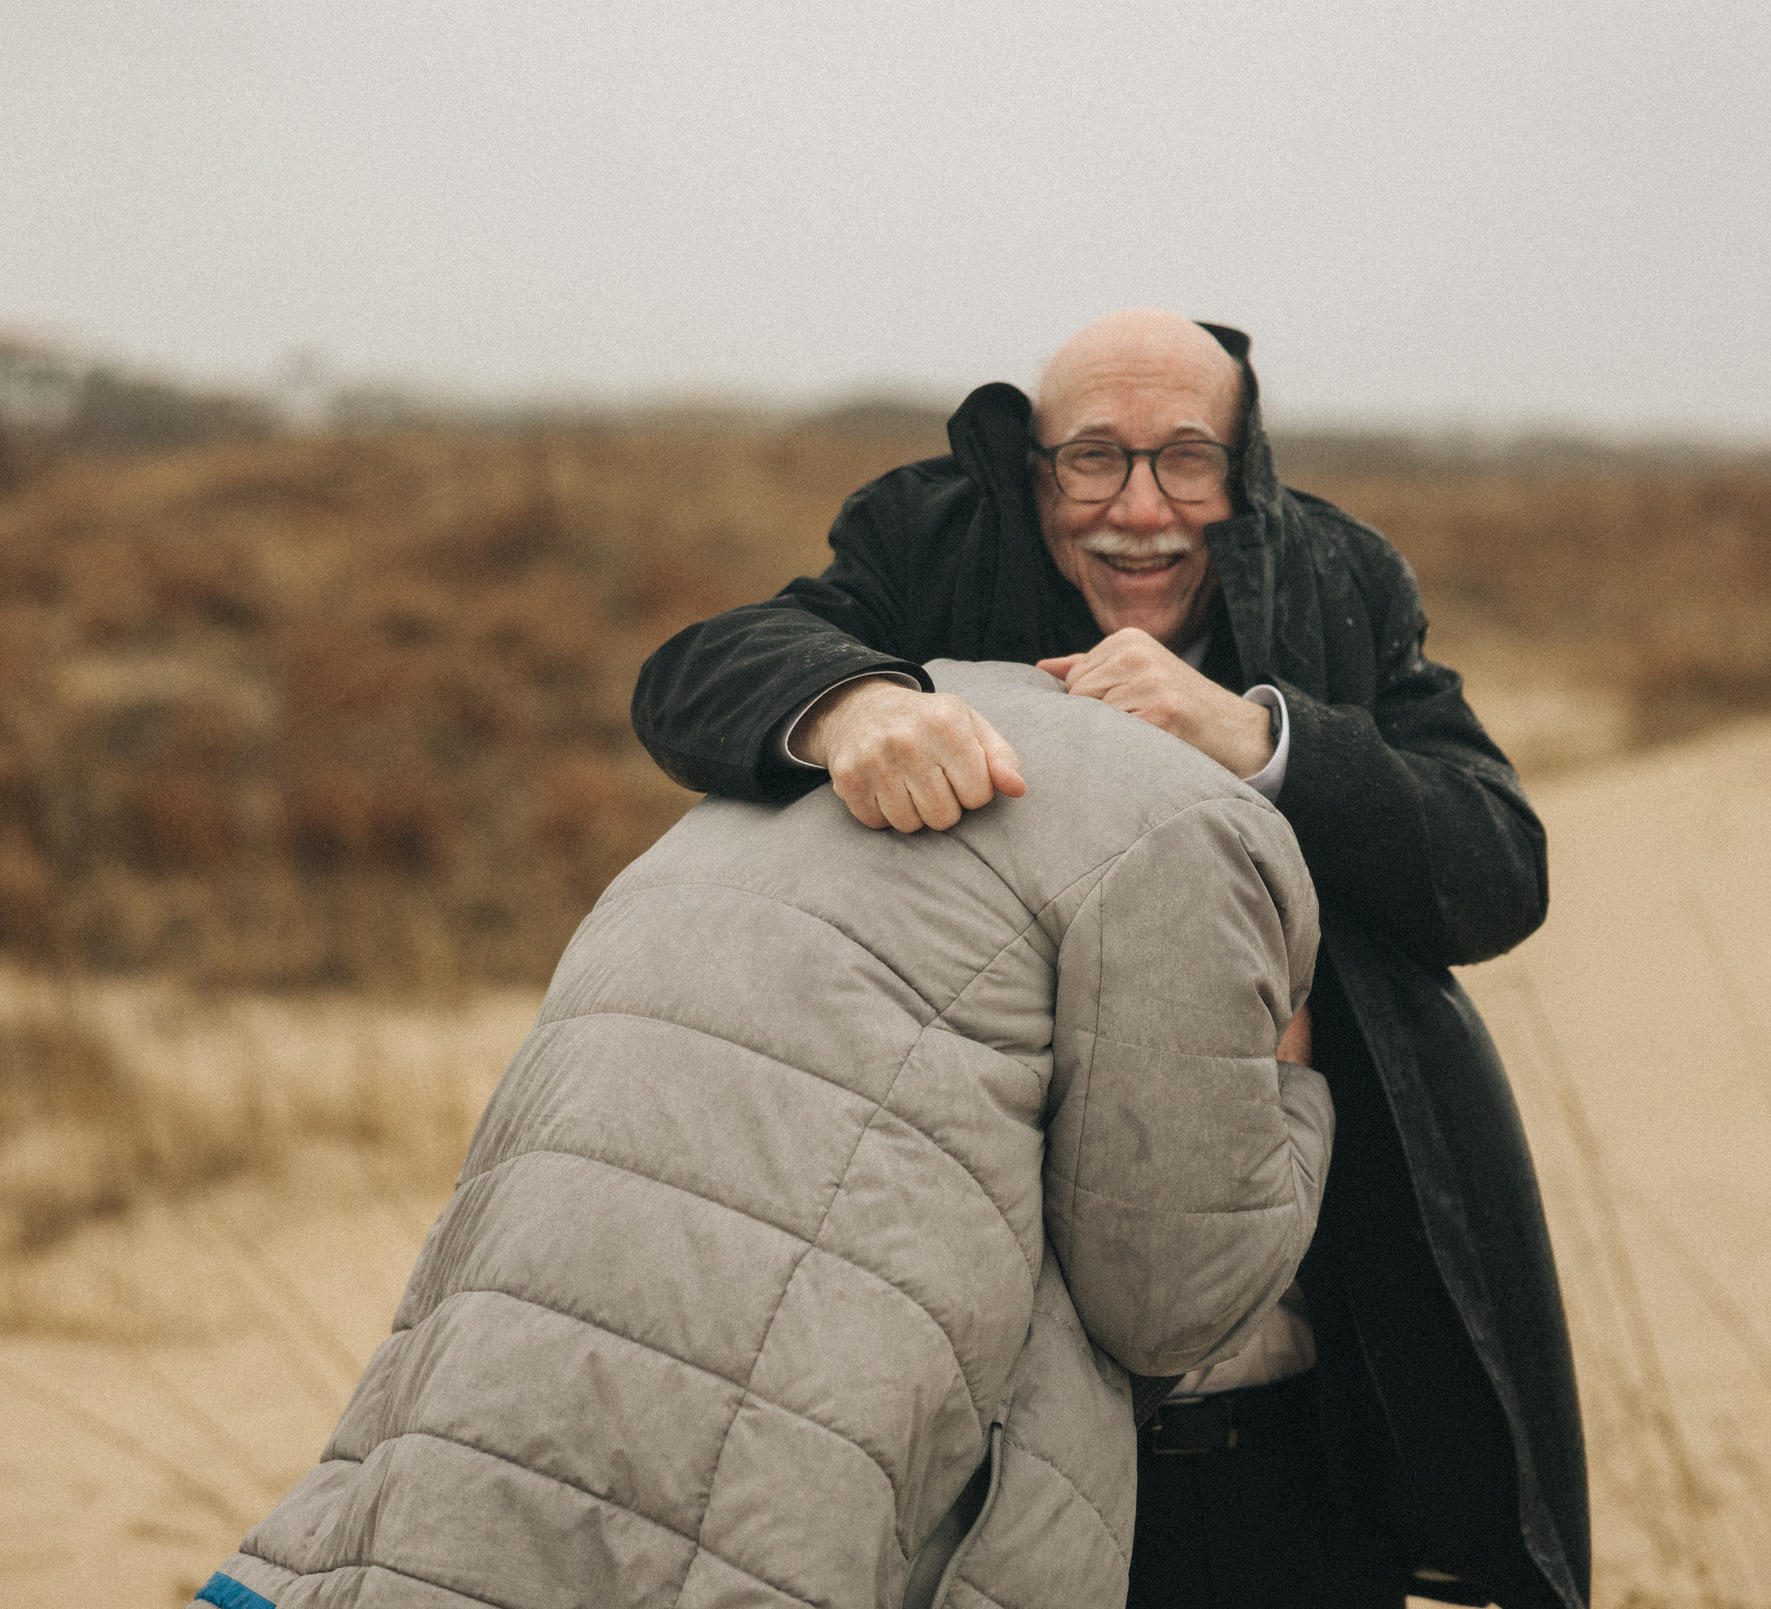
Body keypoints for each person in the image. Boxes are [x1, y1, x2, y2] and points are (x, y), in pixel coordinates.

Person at [632, 310, 1588, 1609]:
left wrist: (1258, 737)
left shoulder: (1341, 582)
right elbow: (698, 669)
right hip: (1004, 1428)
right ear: (1034, 469)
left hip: (1306, 1415)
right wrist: (854, 704)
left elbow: (1495, 864)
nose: (1140, 509)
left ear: (1245, 472)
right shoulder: (930, 546)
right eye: (1093, 457)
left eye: (1187, 457)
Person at [198, 659, 1335, 1609]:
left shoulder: (804, 755)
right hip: (788, 1468)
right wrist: (1293, 1090)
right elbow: (1167, 1295)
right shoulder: (1205, 833)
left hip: (503, 1375)